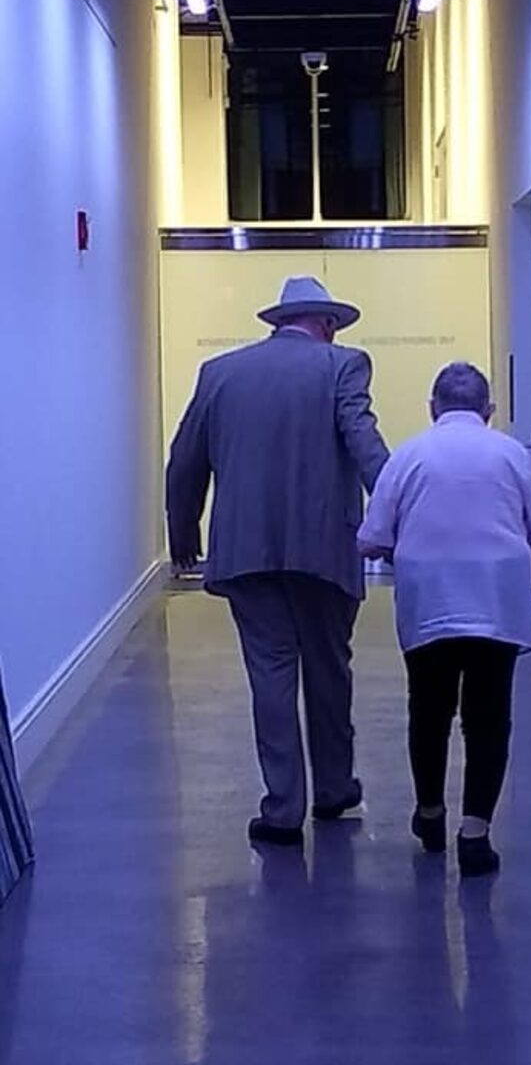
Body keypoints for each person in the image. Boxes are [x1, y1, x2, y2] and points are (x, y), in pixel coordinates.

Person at [166, 276, 389, 848]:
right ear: (328, 324)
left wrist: (183, 532)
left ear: (277, 322)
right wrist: (397, 513)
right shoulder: (343, 366)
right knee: (329, 671)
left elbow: (184, 458)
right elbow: (363, 441)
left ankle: (283, 809)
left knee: (270, 674)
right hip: (325, 550)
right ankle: (335, 790)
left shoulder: (220, 373)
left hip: (245, 551)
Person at [357, 362, 531, 877]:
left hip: (430, 601)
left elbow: (371, 537)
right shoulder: (511, 454)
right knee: (489, 718)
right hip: (497, 600)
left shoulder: (408, 455)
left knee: (429, 711)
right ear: (488, 411)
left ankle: (430, 813)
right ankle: (476, 834)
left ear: (432, 408)